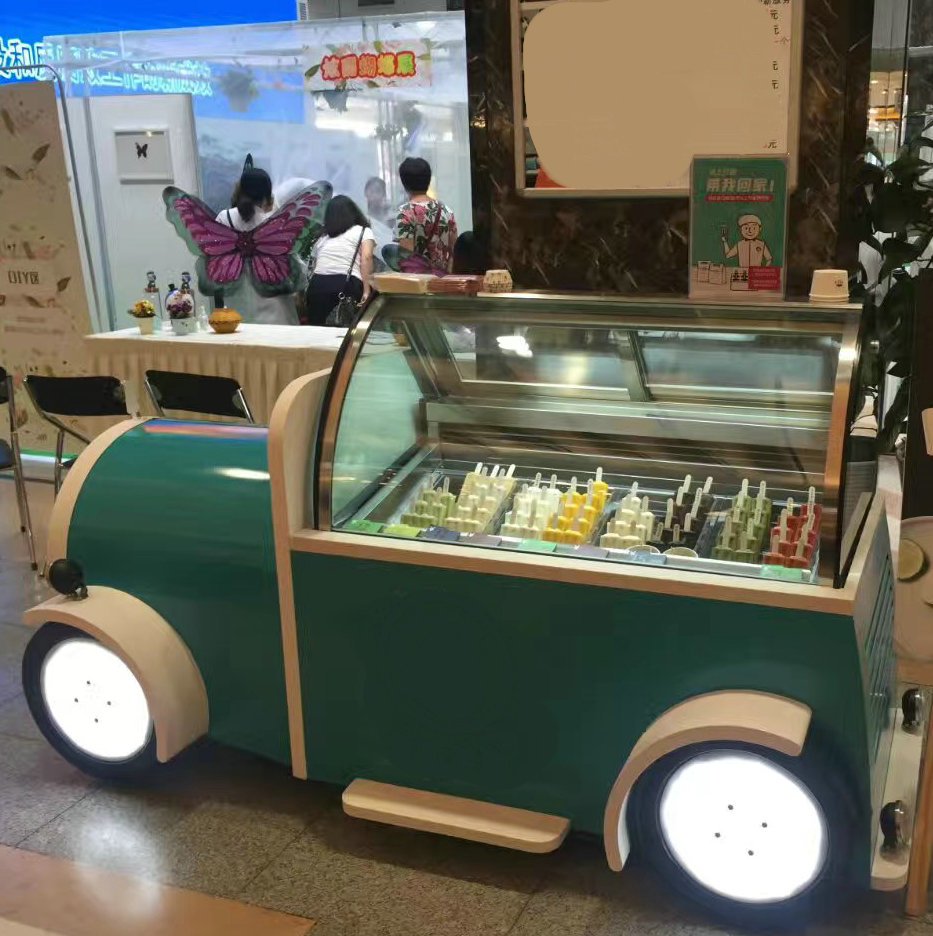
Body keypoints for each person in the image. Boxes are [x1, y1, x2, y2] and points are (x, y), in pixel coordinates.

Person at [215, 164, 304, 325]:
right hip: (274, 300)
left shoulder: (224, 218)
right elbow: (292, 262)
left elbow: (214, 256)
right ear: (267, 194)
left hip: (238, 296)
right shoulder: (274, 223)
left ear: (240, 189)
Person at [305, 195, 375, 326]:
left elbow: (313, 266)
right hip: (345, 285)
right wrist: (367, 290)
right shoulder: (363, 231)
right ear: (354, 212)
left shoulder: (322, 237)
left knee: (318, 334)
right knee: (344, 335)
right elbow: (366, 258)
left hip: (317, 286)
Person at [395, 157, 458, 271]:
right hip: (442, 282)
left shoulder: (405, 213)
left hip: (417, 284)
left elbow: (406, 257)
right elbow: (454, 253)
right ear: (428, 180)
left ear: (404, 182)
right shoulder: (446, 211)